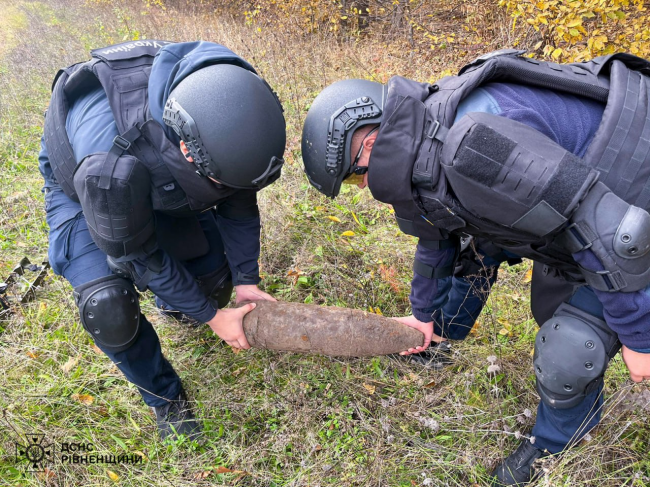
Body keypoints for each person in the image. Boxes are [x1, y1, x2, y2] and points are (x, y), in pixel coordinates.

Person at [300, 49, 650, 485]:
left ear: (370, 142)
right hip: (595, 209)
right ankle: (443, 339)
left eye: (355, 177)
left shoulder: (473, 148)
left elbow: (616, 232)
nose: (363, 187)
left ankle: (554, 446)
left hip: (631, 208)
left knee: (569, 347)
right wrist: (422, 316)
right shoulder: (425, 143)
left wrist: (639, 336)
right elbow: (437, 234)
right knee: (475, 247)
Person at [39, 40, 286, 440]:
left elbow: (238, 201)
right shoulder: (109, 168)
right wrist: (211, 318)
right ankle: (166, 400)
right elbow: (140, 256)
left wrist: (246, 279)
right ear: (189, 151)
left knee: (213, 283)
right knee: (109, 309)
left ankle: (180, 304)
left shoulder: (222, 105)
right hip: (90, 181)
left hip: (155, 169)